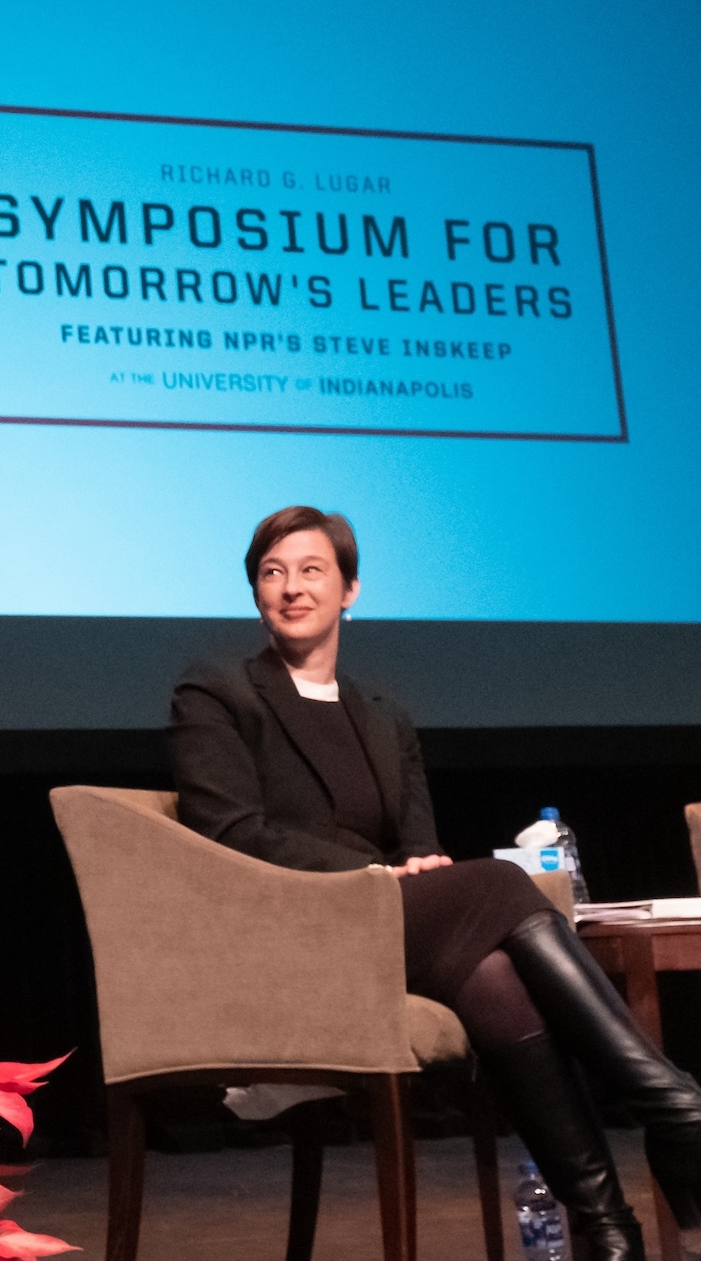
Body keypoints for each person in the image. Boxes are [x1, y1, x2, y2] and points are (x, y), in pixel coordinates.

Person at [169, 505, 700, 1261]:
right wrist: (374, 873)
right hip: (289, 926)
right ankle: (670, 1101)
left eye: (311, 570)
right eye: (272, 573)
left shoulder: (384, 716)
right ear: (256, 591)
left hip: (386, 923)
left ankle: (609, 1229)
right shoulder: (218, 692)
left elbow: (418, 840)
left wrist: (407, 867)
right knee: (502, 887)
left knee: (495, 979)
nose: (291, 588)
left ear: (350, 589)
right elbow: (230, 830)